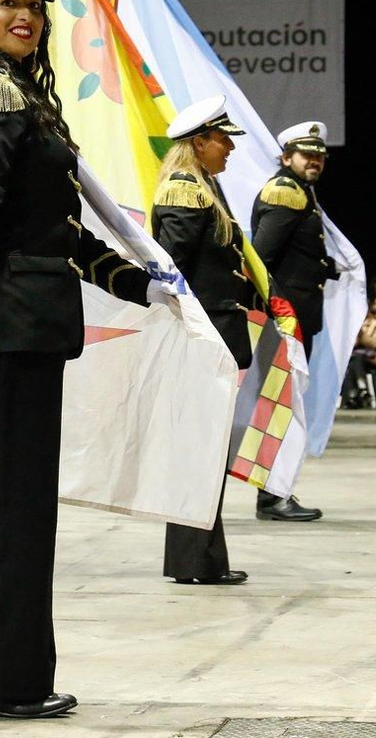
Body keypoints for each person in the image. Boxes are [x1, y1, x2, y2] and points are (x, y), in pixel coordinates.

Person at [0, 0, 153, 720]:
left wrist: (138, 280)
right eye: (7, 4)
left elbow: (53, 225)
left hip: (26, 316)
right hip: (10, 317)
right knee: (5, 506)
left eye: (32, 6)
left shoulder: (16, 91)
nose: (24, 15)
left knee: (15, 503)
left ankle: (1, 674)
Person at [150, 95, 256, 585]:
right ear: (200, 142)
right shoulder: (185, 192)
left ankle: (202, 561)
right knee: (200, 450)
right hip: (203, 338)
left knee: (207, 451)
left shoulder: (202, 188)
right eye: (223, 140)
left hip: (214, 334)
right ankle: (195, 562)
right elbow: (174, 275)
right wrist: (196, 336)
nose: (230, 149)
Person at [249, 120, 336, 522]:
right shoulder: (286, 192)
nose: (315, 160)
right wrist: (278, 313)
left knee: (284, 405)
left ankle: (274, 494)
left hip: (295, 317)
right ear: (287, 157)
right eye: (307, 154)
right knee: (281, 406)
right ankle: (272, 497)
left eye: (319, 155)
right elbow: (262, 257)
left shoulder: (300, 191)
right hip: (287, 319)